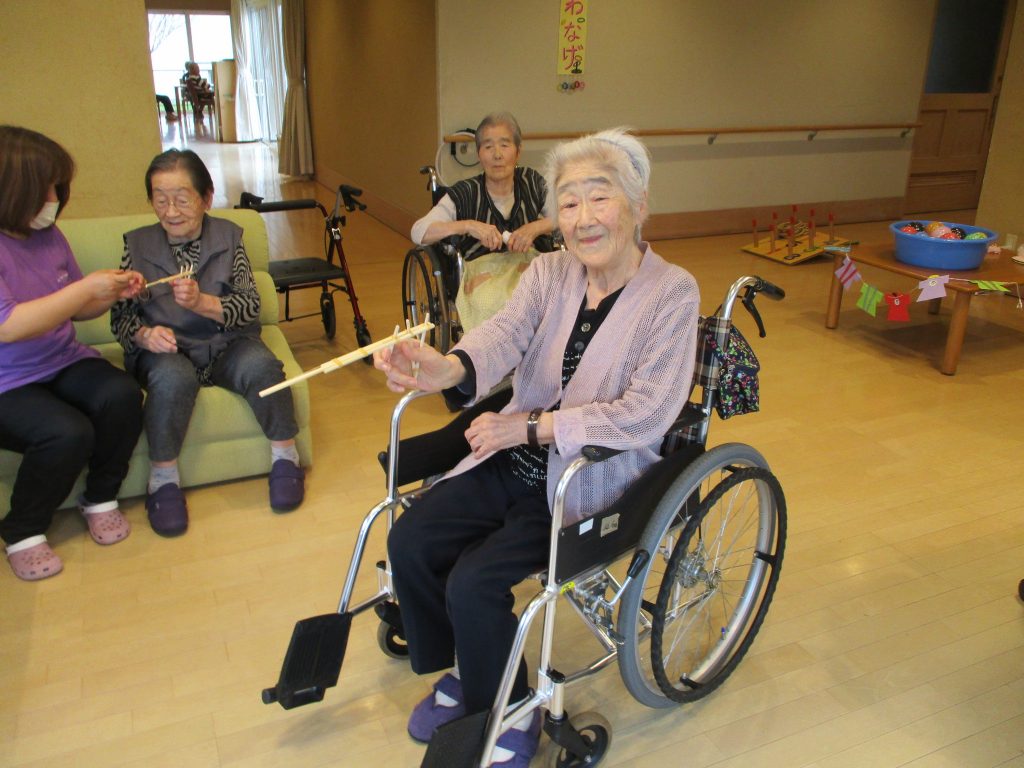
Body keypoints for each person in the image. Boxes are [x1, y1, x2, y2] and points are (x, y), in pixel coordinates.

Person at [376, 129, 700, 765]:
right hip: (515, 458)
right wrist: (450, 367)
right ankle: (476, 675)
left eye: (598, 199)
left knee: (473, 581)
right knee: (410, 540)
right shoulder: (551, 272)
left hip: (586, 479)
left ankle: (513, 709)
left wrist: (527, 427)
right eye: (568, 203)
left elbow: (645, 416)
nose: (582, 219)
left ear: (637, 203)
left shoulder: (673, 293)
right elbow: (504, 333)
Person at [110, 149, 304, 537]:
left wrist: (203, 303)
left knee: (263, 367)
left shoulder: (229, 237)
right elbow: (120, 317)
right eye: (160, 199)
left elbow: (250, 305)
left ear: (206, 198)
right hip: (169, 351)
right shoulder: (138, 246)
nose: (170, 211)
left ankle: (286, 457)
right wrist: (145, 335)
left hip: (226, 341)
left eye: (182, 198)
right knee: (172, 380)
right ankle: (163, 481)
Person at [0, 126, 146, 581]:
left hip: (62, 358)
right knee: (66, 432)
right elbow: (9, 326)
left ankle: (100, 497)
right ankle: (22, 530)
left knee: (121, 394)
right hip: (8, 381)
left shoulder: (49, 235)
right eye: (46, 187)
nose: (54, 198)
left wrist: (112, 294)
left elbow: (77, 308)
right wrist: (87, 288)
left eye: (57, 187)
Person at [410, 112, 556, 332]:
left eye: (505, 145)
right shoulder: (465, 193)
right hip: (482, 271)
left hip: (528, 264)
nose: (497, 155)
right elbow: (418, 231)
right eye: (488, 147)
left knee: (550, 296)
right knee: (492, 303)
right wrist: (468, 225)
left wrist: (537, 227)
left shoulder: (532, 182)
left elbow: (570, 215)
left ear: (518, 151)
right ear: (479, 154)